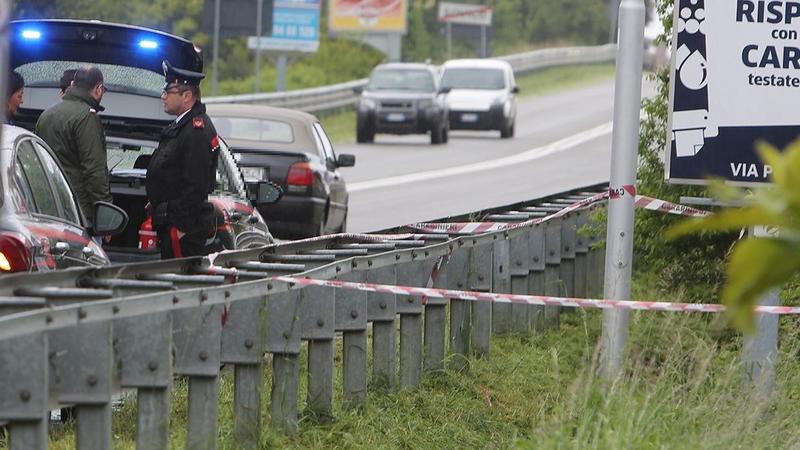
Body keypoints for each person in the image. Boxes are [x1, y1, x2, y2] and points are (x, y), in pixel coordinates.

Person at [146, 60, 222, 259]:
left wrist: (181, 228)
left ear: (186, 96)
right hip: (169, 223)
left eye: (168, 92)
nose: (163, 97)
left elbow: (195, 186)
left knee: (179, 282)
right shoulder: (182, 126)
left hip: (181, 229)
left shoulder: (196, 131)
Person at [35, 65, 111, 223]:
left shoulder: (46, 115)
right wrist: (105, 214)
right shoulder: (87, 117)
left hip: (46, 208)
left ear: (72, 85)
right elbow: (94, 171)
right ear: (99, 88)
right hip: (77, 212)